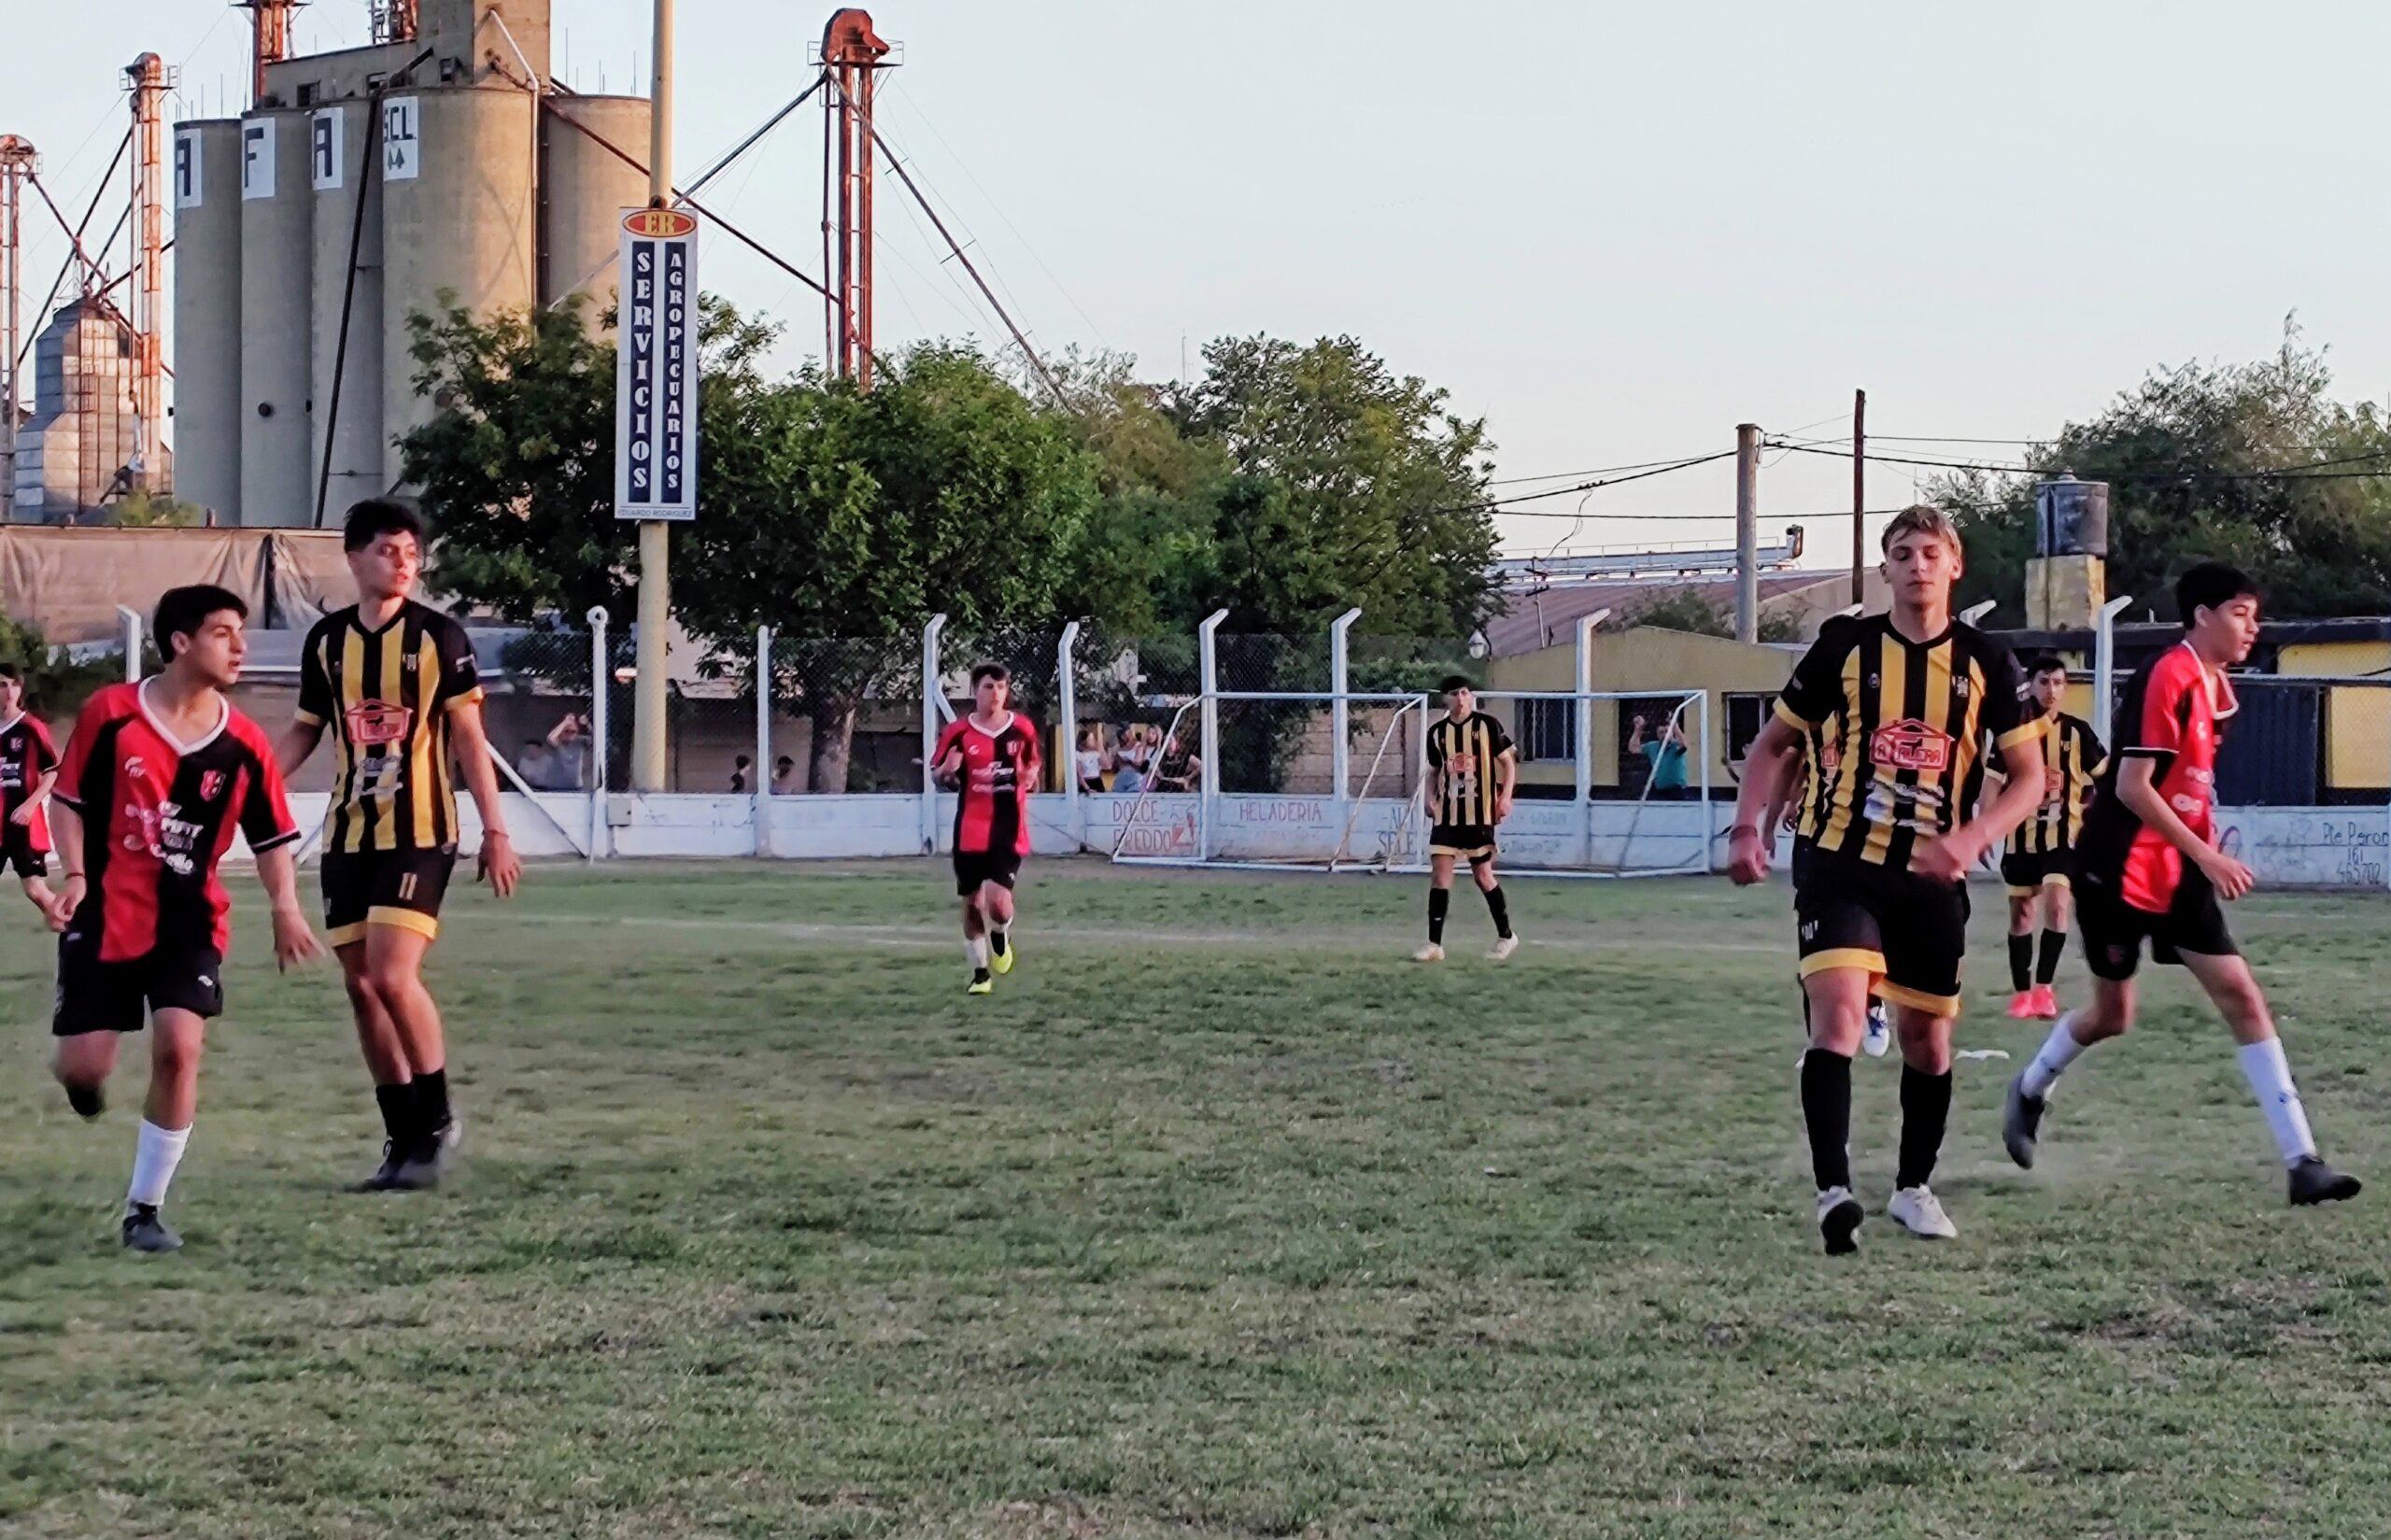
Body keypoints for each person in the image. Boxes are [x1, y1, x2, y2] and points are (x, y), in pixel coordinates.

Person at [1729, 505, 2047, 1253]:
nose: (1917, 565)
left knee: (1926, 1042)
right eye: (1902, 553)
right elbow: (1773, 745)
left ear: (1955, 565)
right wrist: (1748, 828)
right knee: (1839, 1018)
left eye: (1931, 552)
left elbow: (2031, 777)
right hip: (1840, 863)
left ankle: (1912, 1187)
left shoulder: (1986, 661)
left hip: (1932, 878)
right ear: (1885, 570)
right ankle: (1834, 1194)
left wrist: (1971, 837)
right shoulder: (1845, 647)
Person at [2002, 563, 2361, 1207]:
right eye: (2240, 613)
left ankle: (2303, 1162)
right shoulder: (2168, 673)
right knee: (2113, 1014)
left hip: (2178, 872)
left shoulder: (2220, 689)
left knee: (2241, 994)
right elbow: (2132, 786)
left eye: (2255, 615)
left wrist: (2200, 847)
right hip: (2116, 868)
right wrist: (2208, 854)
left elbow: (2188, 785)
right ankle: (2030, 1087)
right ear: (2201, 616)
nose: (2252, 627)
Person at [50, 585, 325, 1252]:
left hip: (189, 921)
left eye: (241, 633)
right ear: (180, 642)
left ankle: (144, 1210)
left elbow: (271, 839)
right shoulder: (111, 713)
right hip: (106, 913)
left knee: (179, 1048)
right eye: (223, 633)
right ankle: (82, 1084)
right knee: (85, 1068)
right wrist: (76, 875)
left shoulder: (245, 743)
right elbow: (67, 801)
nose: (240, 646)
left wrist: (286, 906)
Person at [276, 499, 523, 1194]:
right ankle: (403, 1140)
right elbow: (306, 730)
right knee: (361, 988)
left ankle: (438, 1118)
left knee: (390, 975)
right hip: (349, 835)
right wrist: (251, 784)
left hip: (420, 832)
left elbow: (469, 738)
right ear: (354, 557)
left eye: (412, 552)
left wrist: (495, 830)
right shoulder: (327, 642)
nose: (404, 562)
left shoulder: (440, 637)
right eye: (388, 550)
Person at [1756, 718, 1891, 1061]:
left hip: (1869, 838)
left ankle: (1873, 1002)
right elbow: (1792, 763)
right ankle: (1818, 1041)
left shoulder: (1879, 704)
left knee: (1870, 924)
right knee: (1814, 941)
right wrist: (1770, 824)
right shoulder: (1812, 709)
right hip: (1814, 839)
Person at [1990, 656, 2106, 1020]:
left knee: (2057, 903)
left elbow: (2106, 778)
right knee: (2022, 915)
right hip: (2020, 837)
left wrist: (2093, 814)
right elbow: (1992, 781)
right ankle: (2021, 993)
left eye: (2058, 683)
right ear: (2030, 685)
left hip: (2063, 836)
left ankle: (2044, 989)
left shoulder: (2077, 732)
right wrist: (1986, 825)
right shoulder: (2012, 733)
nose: (2051, 690)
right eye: (2044, 682)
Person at [930, 662, 1040, 996]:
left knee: (999, 903)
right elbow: (937, 775)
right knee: (972, 903)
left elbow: (1033, 764)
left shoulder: (1021, 728)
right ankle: (980, 975)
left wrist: (1030, 778)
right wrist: (947, 771)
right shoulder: (957, 732)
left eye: (1001, 687)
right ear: (975, 691)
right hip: (970, 829)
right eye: (989, 687)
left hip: (1008, 828)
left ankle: (1001, 933)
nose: (996, 694)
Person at [1415, 675, 1521, 963]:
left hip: (1479, 814)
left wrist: (1505, 796)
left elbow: (1508, 763)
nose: (1460, 698)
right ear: (1445, 699)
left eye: (1464, 693)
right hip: (1447, 815)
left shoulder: (1487, 725)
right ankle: (1434, 944)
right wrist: (1429, 798)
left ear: (1471, 696)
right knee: (1440, 874)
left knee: (1483, 876)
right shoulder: (1437, 733)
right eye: (1454, 694)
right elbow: (1434, 770)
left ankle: (1506, 936)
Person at [0, 663, 66, 929]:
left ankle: (75, 929)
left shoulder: (30, 727)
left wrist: (30, 805)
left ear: (20, 689)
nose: (8, 691)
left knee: (35, 889)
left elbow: (53, 771)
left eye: (13, 685)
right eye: (1, 685)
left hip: (21, 823)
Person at [1629, 712, 1691, 799]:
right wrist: (1638, 729)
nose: (1664, 735)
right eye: (1661, 732)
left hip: (1676, 790)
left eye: (1667, 732)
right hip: (1659, 790)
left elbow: (1684, 745)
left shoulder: (1675, 746)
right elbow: (1633, 748)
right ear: (1657, 734)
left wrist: (1674, 725)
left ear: (1672, 733)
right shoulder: (1653, 746)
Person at [1153, 728, 1203, 792]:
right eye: (1165, 740)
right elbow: (1159, 776)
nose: (1167, 742)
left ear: (1176, 742)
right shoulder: (1161, 759)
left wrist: (1188, 778)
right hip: (1164, 788)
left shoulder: (1184, 756)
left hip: (1180, 789)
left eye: (1170, 739)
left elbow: (1202, 766)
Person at [1074, 728, 1107, 794]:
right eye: (1091, 739)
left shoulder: (1096, 754)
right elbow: (1079, 773)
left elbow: (1106, 765)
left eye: (1094, 739)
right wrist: (1087, 788)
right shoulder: (1079, 755)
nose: (1094, 741)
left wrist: (1101, 748)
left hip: (1097, 781)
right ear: (1084, 741)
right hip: (1087, 782)